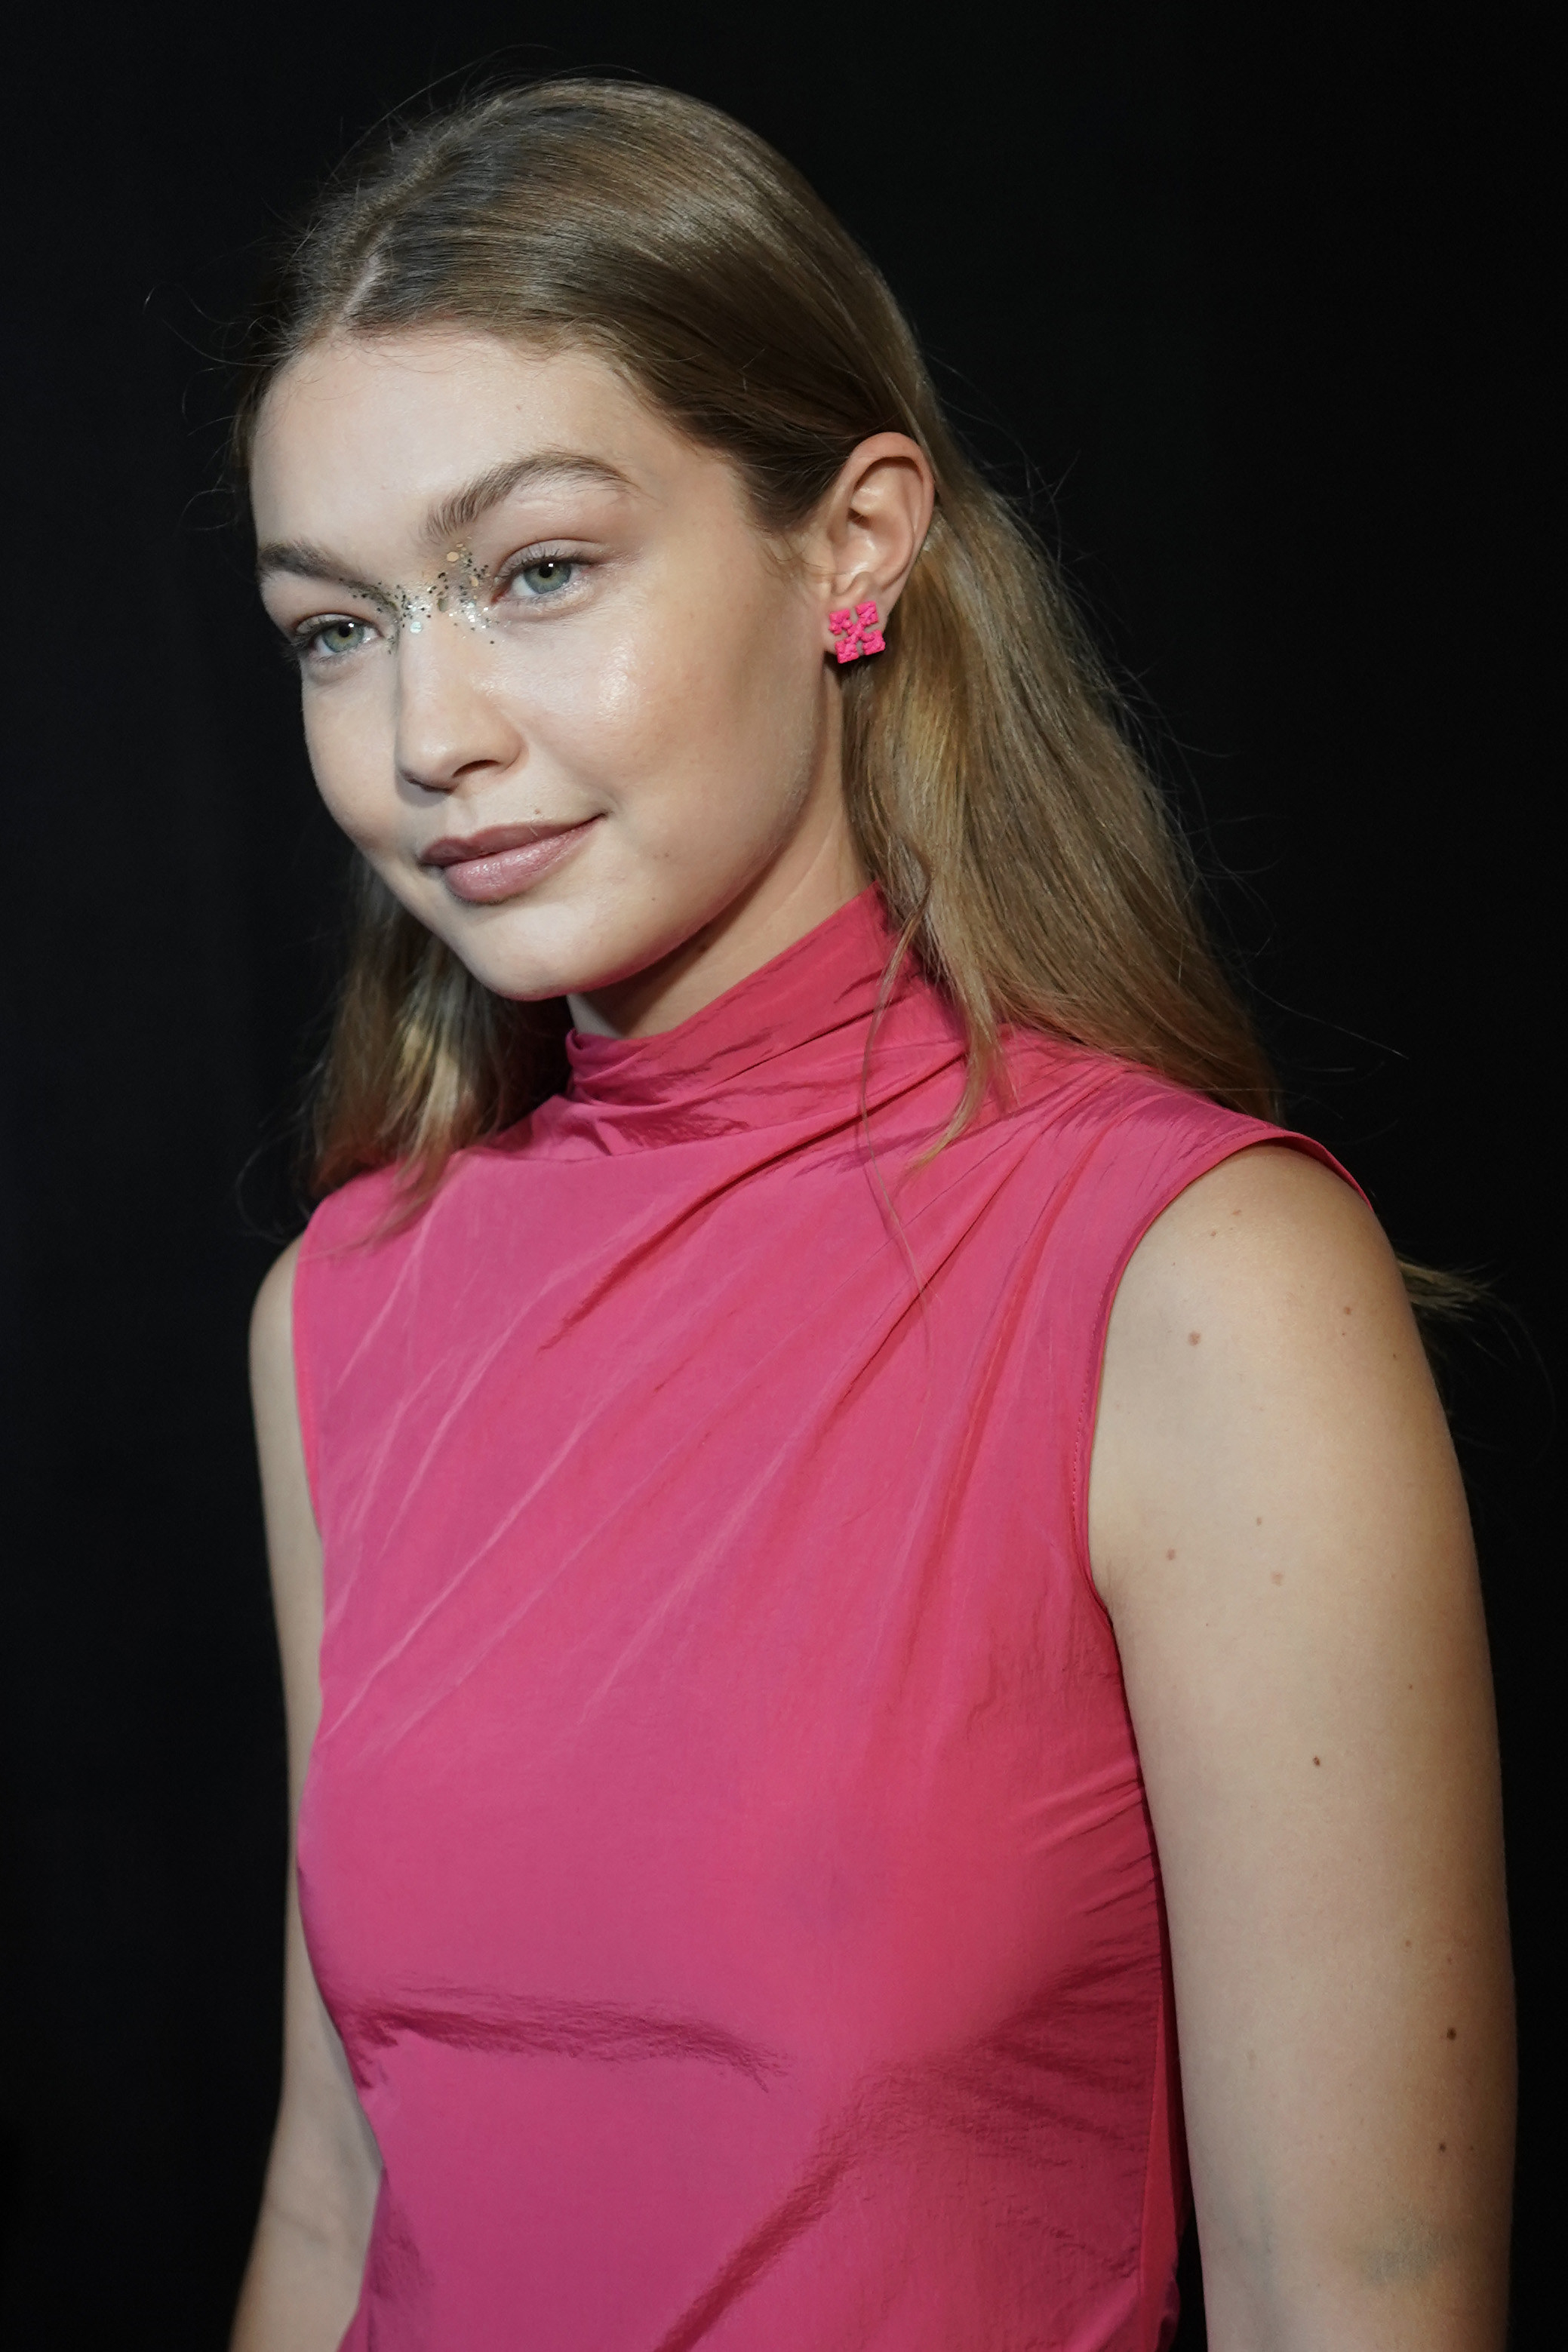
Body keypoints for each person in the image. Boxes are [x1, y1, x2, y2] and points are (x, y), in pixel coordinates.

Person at [228, 78, 1512, 2352]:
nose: (425, 729)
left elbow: (1365, 2297)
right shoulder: (345, 1307)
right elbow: (339, 2195)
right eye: (337, 627)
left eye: (533, 572)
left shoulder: (1192, 1287)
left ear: (854, 545)